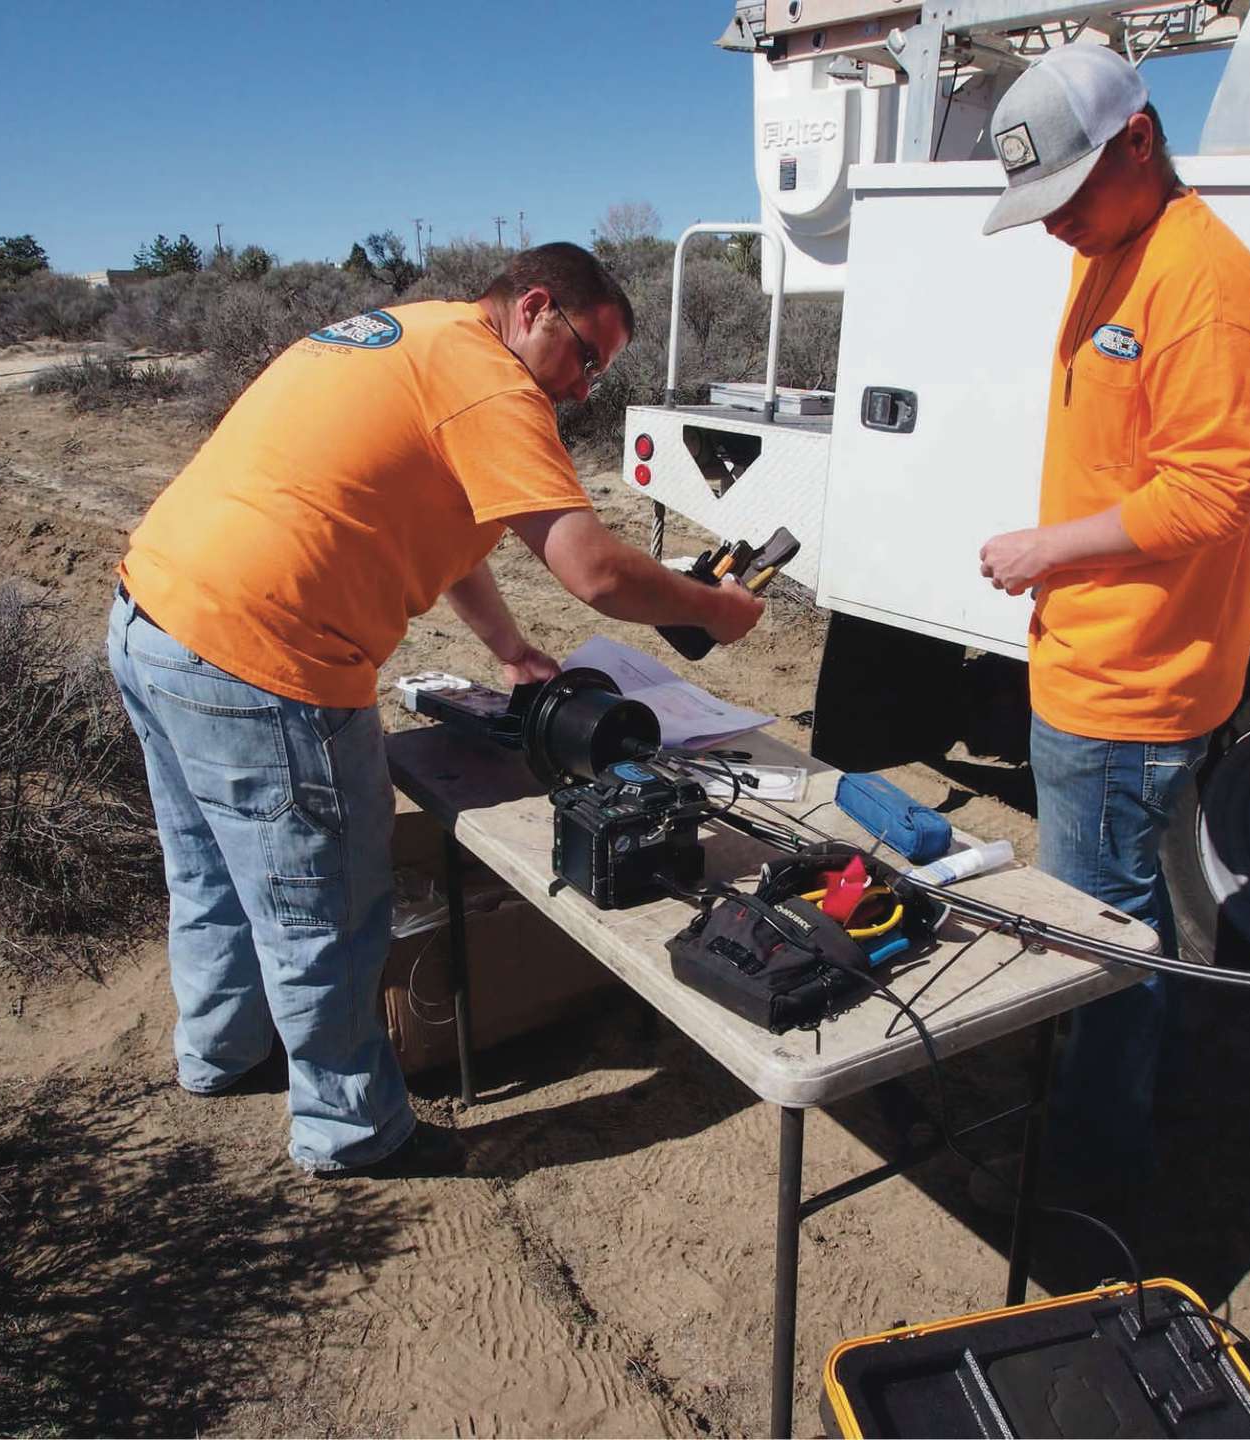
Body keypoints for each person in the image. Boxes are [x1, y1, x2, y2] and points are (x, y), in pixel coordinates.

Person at [105, 242, 764, 1180]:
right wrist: (714, 609)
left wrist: (506, 649)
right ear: (535, 308)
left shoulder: (419, 334)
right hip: (265, 660)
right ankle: (352, 1132)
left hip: (154, 618)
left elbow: (442, 522)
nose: (584, 389)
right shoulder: (493, 383)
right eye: (586, 357)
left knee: (210, 867)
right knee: (322, 911)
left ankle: (220, 1054)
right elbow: (592, 569)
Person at [974, 46, 1250, 1182]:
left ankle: (1088, 1165)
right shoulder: (1117, 241)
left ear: (1139, 140)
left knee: (1093, 943)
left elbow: (1218, 485)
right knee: (1120, 917)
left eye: (1067, 195)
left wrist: (1050, 548)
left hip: (1130, 687)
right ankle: (1132, 1085)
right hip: (1095, 659)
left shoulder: (1202, 282)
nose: (1054, 225)